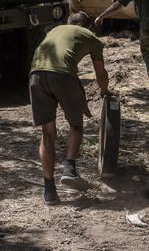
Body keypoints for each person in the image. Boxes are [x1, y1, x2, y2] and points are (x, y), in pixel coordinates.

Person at [29, 12, 110, 205]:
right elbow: (101, 73)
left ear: (69, 23)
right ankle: (69, 168)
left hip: (35, 76)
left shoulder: (54, 30)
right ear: (87, 26)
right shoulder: (91, 37)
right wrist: (105, 92)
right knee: (76, 125)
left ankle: (49, 191)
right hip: (63, 76)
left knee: (47, 134)